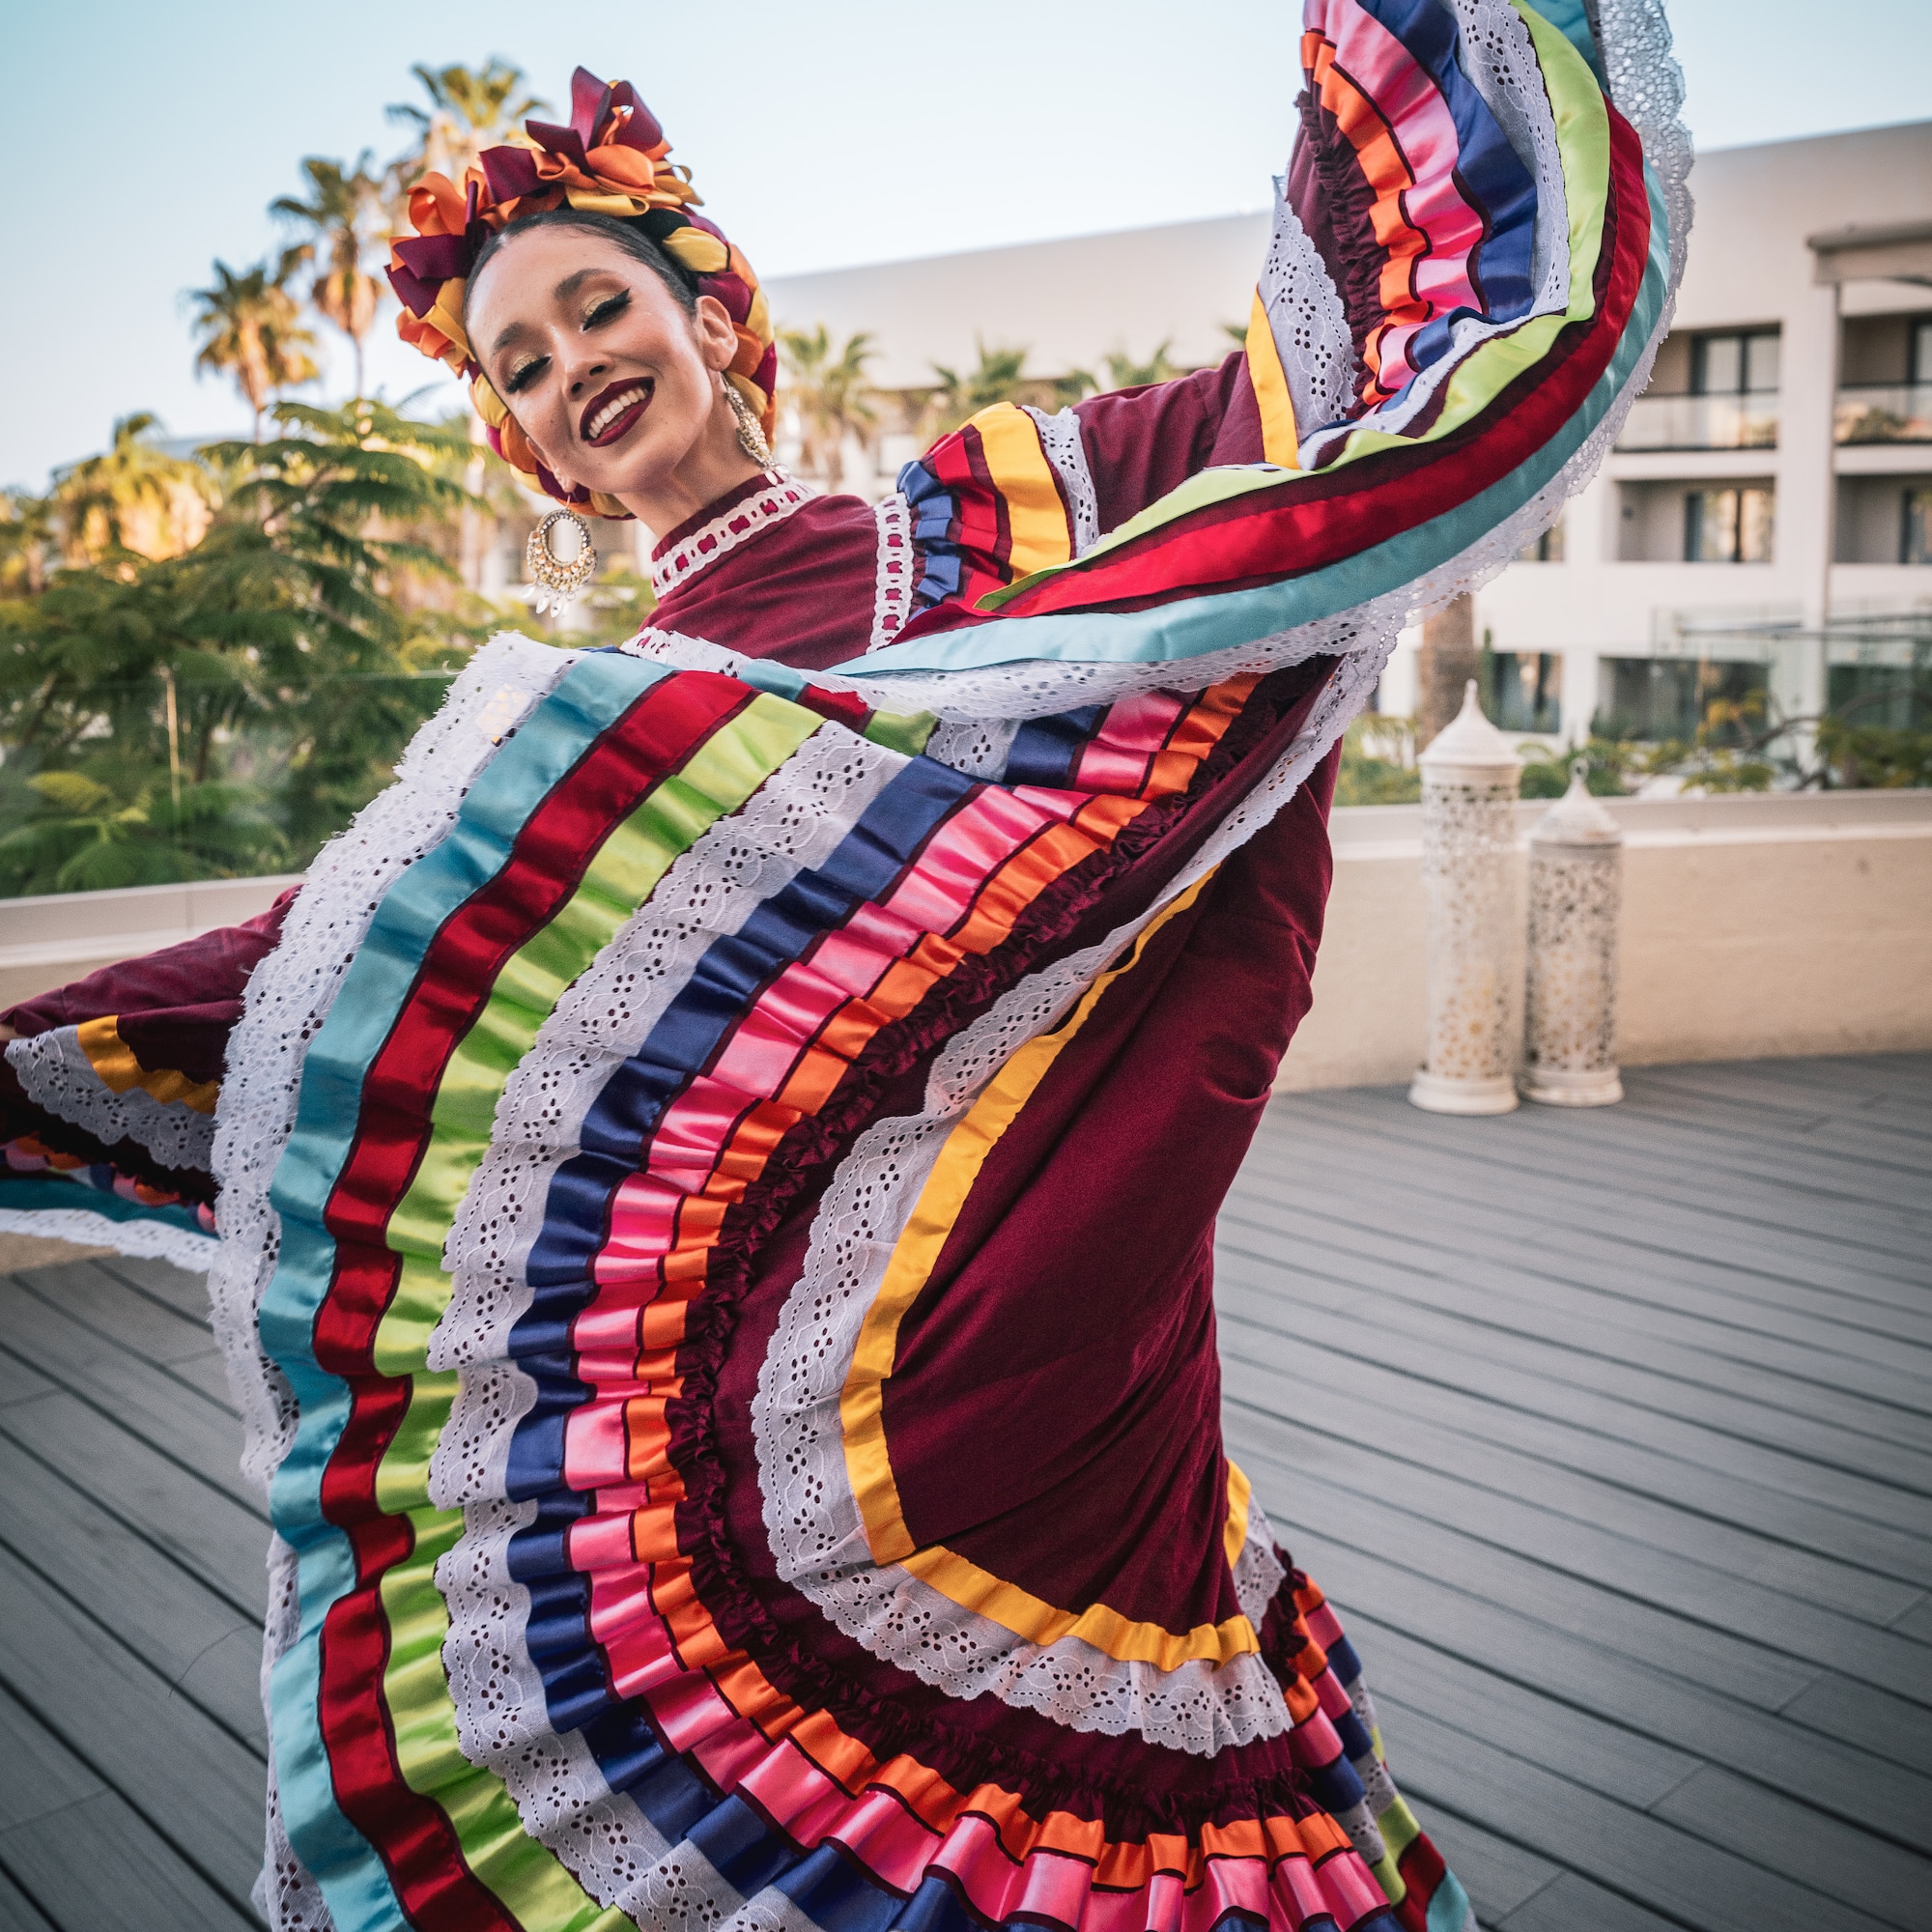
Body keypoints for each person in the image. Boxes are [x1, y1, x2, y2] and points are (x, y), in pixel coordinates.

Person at [0, 5, 1686, 1928]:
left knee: (1150, 1686)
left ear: (708, 312)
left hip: (1077, 1250)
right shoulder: (606, 723)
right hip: (827, 1382)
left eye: (595, 309)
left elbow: (1291, 431)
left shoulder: (988, 525)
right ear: (528, 449)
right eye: (523, 368)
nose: (573, 372)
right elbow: (346, 970)